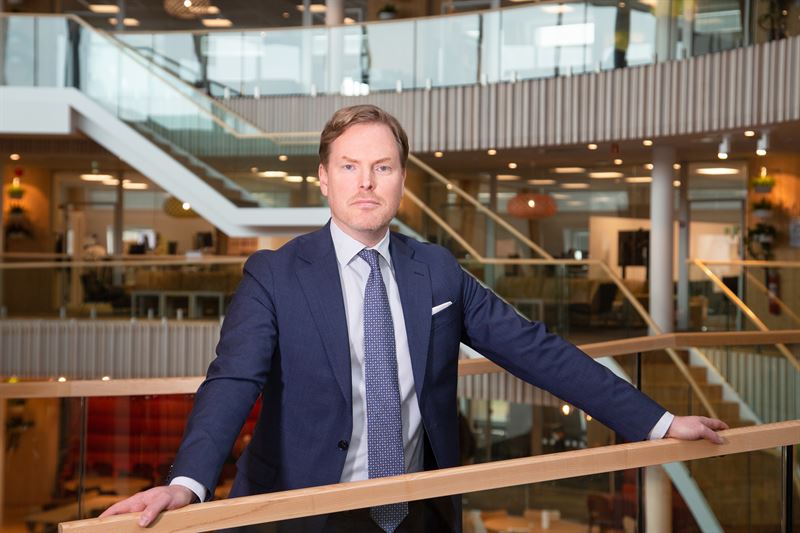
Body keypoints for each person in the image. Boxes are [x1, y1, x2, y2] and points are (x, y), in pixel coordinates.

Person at [101, 105, 727, 531]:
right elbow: (232, 381)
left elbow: (534, 349)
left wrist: (658, 421)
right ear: (323, 179)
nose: (366, 183)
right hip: (304, 513)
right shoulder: (274, 274)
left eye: (383, 167)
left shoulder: (437, 270)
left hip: (418, 510)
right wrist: (187, 482)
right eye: (349, 167)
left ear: (402, 180)